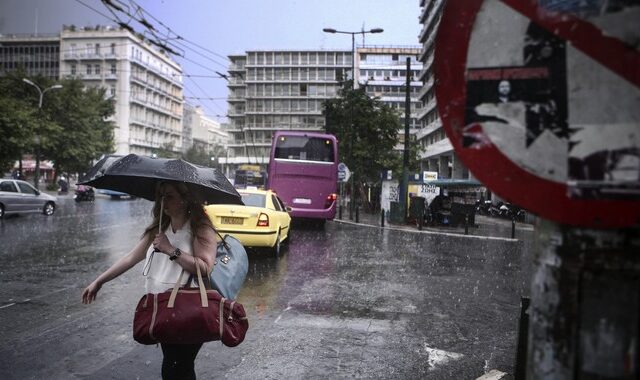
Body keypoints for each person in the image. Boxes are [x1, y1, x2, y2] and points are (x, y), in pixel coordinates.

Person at [82, 181, 218, 380]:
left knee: (176, 367)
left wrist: (171, 249)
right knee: (176, 367)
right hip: (163, 308)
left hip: (188, 309)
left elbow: (205, 268)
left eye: (169, 196)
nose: (163, 202)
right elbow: (130, 257)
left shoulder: (200, 228)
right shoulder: (159, 228)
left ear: (184, 198)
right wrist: (100, 281)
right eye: (161, 196)